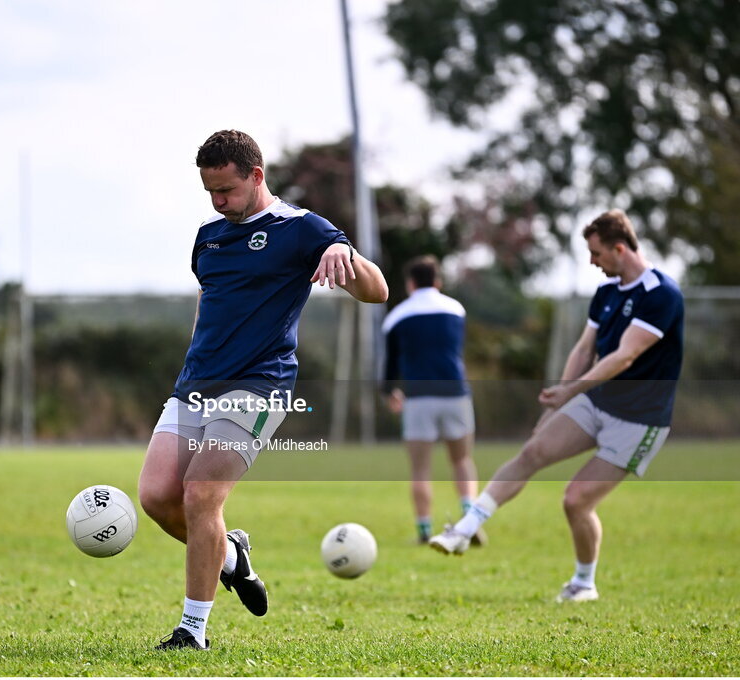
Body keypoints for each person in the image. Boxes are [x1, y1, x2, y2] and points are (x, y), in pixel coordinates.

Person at [138, 129, 388, 650]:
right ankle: (232, 557)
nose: (218, 201)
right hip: (197, 384)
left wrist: (346, 253)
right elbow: (210, 306)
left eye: (226, 190)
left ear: (256, 176)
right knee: (157, 497)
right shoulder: (209, 236)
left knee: (201, 494)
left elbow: (376, 291)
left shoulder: (301, 229)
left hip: (259, 385)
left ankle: (193, 629)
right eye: (210, 192)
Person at [429, 209, 684, 604]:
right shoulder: (607, 293)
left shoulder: (662, 295)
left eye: (596, 253)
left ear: (620, 248)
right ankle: (463, 529)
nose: (592, 262)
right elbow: (585, 348)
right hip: (598, 402)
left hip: (639, 420)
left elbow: (624, 357)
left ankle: (584, 583)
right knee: (532, 452)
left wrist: (570, 393)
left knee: (576, 500)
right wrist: (558, 401)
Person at [381, 255, 484, 546]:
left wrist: (389, 392)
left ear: (410, 283)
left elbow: (390, 364)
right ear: (437, 282)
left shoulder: (397, 316)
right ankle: (469, 520)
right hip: (456, 395)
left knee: (420, 469)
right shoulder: (457, 310)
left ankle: (425, 531)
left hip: (418, 399)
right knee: (462, 459)